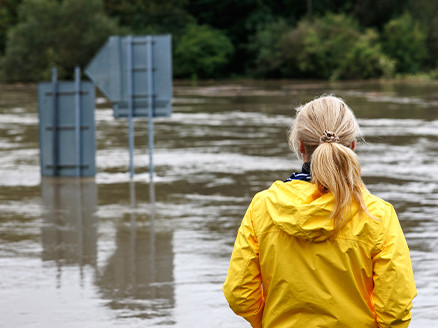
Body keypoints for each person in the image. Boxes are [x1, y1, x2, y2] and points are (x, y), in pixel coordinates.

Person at [223, 95, 416, 328]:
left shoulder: (261, 207)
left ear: (300, 145)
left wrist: (270, 322)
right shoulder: (377, 215)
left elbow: (240, 295)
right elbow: (395, 308)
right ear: (352, 147)